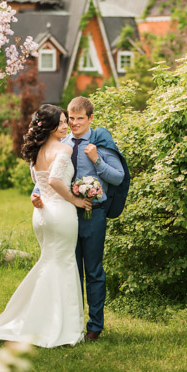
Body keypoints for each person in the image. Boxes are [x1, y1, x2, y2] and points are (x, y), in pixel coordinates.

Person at [0, 105, 89, 347]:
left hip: (41, 214)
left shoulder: (36, 152)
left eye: (66, 122)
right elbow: (53, 180)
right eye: (62, 123)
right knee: (62, 263)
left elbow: (39, 183)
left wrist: (37, 197)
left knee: (50, 262)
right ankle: (60, 326)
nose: (66, 126)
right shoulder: (63, 148)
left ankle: (41, 318)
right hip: (60, 213)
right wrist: (75, 200)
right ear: (50, 127)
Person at [31, 96, 126, 342]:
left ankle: (95, 326)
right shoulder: (61, 141)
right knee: (71, 271)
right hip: (65, 216)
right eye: (70, 118)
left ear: (91, 118)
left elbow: (118, 177)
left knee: (93, 271)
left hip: (93, 214)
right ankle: (71, 324)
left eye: (79, 119)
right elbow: (51, 175)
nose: (73, 123)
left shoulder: (100, 142)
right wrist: (37, 192)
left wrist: (97, 159)